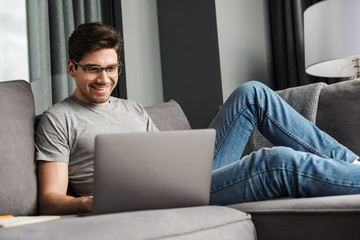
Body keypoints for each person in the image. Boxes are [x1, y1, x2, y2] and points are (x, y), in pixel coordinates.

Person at [36, 22, 360, 215]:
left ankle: (353, 165)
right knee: (273, 161)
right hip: (146, 202)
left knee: (253, 93)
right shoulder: (58, 119)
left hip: (177, 182)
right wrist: (87, 203)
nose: (104, 79)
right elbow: (50, 201)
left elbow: (163, 158)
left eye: (111, 68)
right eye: (93, 69)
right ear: (71, 69)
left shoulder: (131, 108)